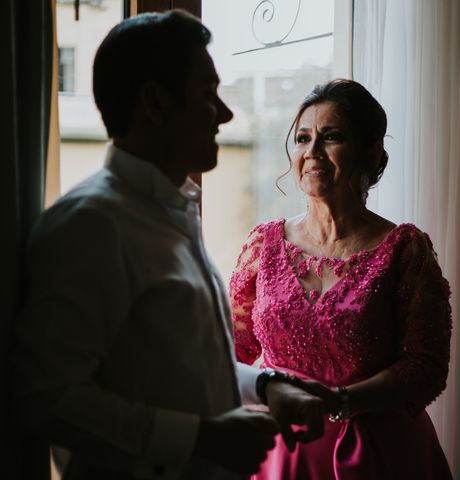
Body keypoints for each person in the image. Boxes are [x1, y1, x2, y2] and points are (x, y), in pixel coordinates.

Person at [12, 10, 326, 480]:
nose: (225, 113)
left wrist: (266, 387)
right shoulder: (91, 225)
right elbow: (45, 398)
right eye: (207, 93)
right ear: (156, 103)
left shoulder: (175, 211)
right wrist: (202, 437)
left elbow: (186, 372)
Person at [230, 79, 454, 479]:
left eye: (331, 137)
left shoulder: (404, 249)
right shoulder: (263, 245)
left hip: (378, 453)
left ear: (370, 152)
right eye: (302, 138)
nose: (311, 152)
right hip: (282, 454)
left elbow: (427, 366)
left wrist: (344, 400)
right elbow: (233, 350)